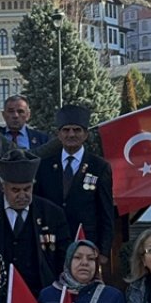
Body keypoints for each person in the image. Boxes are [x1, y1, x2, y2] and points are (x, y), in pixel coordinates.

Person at [0, 150, 71, 296]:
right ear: (3, 187)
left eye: (27, 189)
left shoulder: (52, 213)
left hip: (40, 291)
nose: (22, 195)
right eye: (15, 190)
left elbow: (63, 255)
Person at [35, 104, 116, 256]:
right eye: (66, 130)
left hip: (85, 245)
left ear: (86, 134)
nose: (71, 134)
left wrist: (104, 252)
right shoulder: (44, 166)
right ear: (58, 134)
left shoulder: (99, 167)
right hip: (52, 246)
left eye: (77, 130)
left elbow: (106, 212)